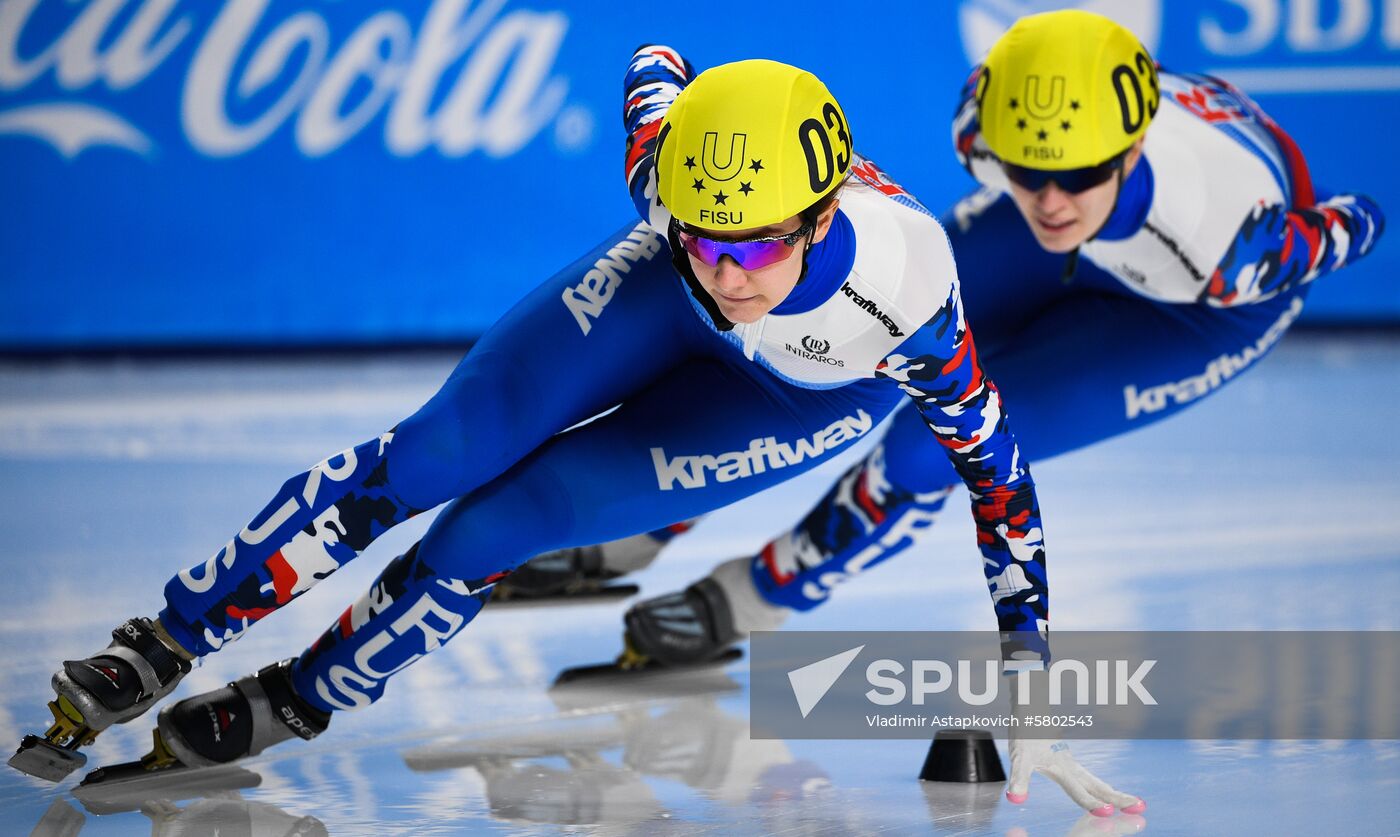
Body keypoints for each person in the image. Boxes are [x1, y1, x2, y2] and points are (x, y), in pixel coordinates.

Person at [20, 43, 1105, 807]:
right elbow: (655, 60)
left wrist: (1029, 664)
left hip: (798, 391)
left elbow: (997, 475)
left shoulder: (907, 296)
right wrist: (692, 207)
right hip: (648, 299)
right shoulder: (667, 184)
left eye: (761, 247)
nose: (733, 275)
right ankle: (163, 642)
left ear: (821, 217)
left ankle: (296, 699)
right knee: (440, 452)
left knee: (492, 529)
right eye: (708, 239)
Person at [497, 9, 1385, 809]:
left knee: (928, 449)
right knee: (845, 342)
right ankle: (657, 516)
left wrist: (1309, 236)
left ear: (1130, 148)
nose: (1050, 197)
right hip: (1105, 236)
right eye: (1029, 168)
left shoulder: (1232, 248)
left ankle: (756, 597)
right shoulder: (989, 129)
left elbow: (1363, 216)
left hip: (1200, 303)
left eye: (1076, 173)